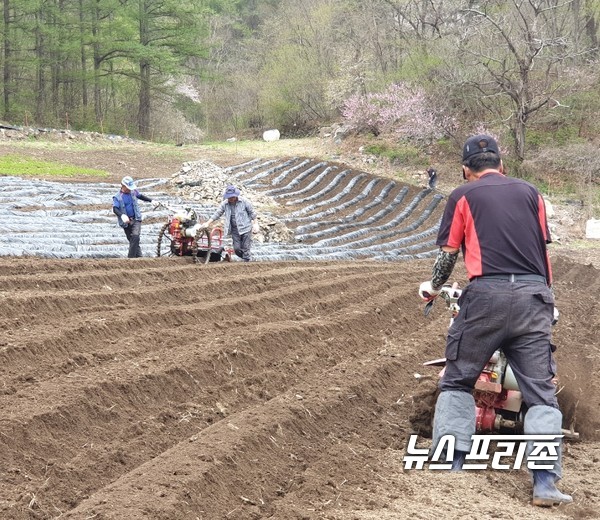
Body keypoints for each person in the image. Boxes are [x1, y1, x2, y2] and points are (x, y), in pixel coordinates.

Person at [417, 134, 571, 506]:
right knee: (541, 394)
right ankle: (545, 484)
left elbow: (449, 255)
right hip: (534, 297)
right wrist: (546, 299)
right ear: (502, 165)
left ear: (466, 170)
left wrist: (434, 288)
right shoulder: (531, 193)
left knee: (457, 381)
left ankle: (451, 467)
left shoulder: (462, 195)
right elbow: (540, 250)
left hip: (486, 297)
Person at [203, 185, 259, 262]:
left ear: (236, 196)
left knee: (246, 247)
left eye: (232, 197)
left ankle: (247, 261)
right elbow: (217, 213)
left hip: (246, 228)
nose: (231, 199)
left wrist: (255, 223)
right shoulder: (225, 204)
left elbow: (252, 212)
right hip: (234, 229)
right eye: (229, 198)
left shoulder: (244, 201)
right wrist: (208, 223)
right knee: (237, 249)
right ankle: (249, 258)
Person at [112, 176, 153, 258]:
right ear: (122, 186)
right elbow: (115, 208)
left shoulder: (133, 192)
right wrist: (122, 215)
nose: (129, 189)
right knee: (132, 240)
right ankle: (139, 258)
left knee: (135, 236)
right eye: (128, 187)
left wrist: (151, 200)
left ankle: (130, 258)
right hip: (126, 222)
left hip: (136, 219)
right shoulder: (117, 197)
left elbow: (140, 196)